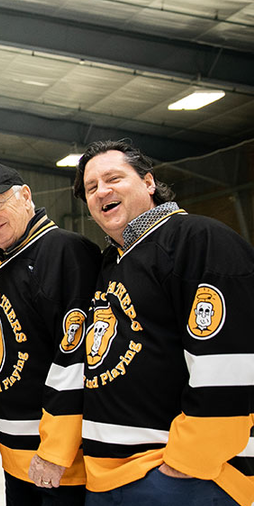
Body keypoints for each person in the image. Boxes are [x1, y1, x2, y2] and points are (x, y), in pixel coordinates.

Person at [72, 139, 254, 506]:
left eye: (113, 178)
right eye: (91, 188)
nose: (101, 191)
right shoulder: (115, 261)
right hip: (111, 477)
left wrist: (186, 464)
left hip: (182, 480)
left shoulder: (199, 240)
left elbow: (230, 362)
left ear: (149, 182)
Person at [0, 161, 100, 505]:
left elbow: (78, 360)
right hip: (16, 458)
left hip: (62, 464)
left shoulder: (66, 251)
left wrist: (56, 450)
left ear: (25, 196)